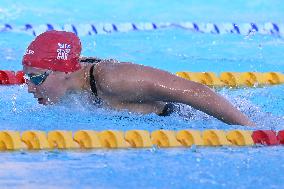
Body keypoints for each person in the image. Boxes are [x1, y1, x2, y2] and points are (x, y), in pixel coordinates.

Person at [22, 30, 255, 126]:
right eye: (26, 78)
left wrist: (251, 131)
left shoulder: (113, 79)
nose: (30, 88)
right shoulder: (70, 88)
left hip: (197, 119)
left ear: (64, 72)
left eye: (35, 78)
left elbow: (195, 92)